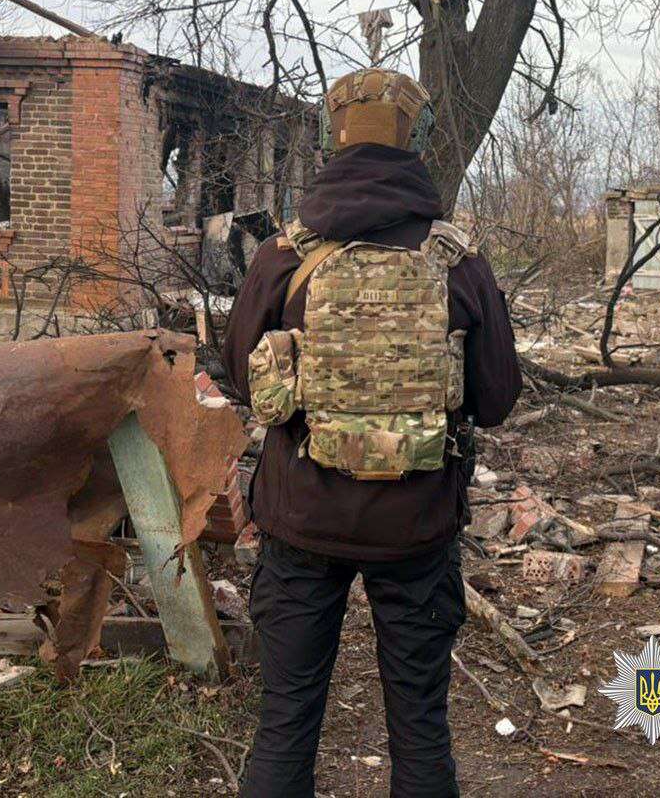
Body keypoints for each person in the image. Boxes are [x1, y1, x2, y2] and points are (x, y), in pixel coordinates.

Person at [223, 68, 521, 798]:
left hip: (300, 520)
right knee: (421, 729)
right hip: (416, 529)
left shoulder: (284, 256)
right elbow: (496, 399)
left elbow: (240, 375)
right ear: (415, 140)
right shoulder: (457, 262)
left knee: (285, 723)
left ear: (332, 140)